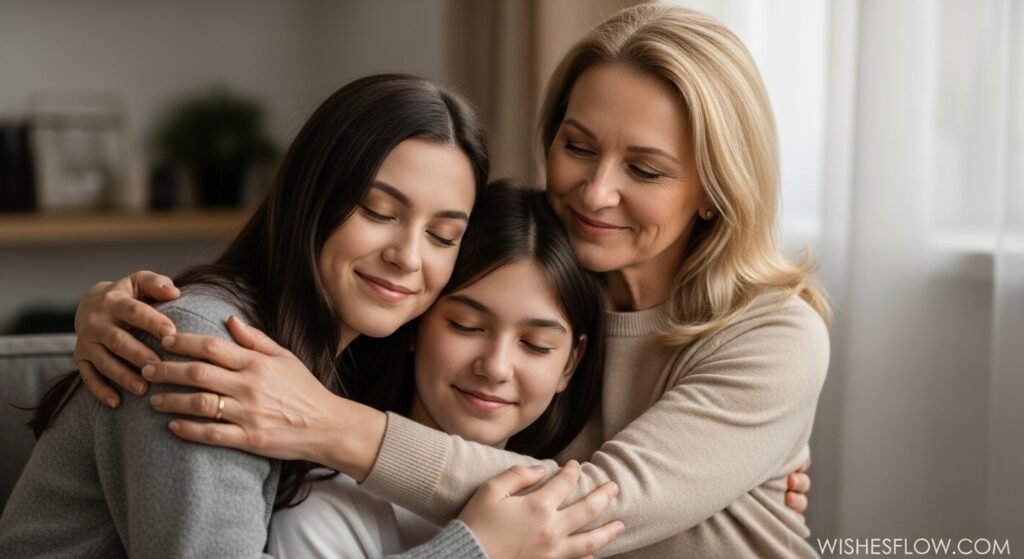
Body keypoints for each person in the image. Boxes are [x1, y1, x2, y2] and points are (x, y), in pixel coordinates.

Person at [70, 4, 826, 557]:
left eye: (646, 169)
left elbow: (591, 505)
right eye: (577, 145)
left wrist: (326, 419)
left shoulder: (771, 333)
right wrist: (104, 307)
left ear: (716, 187)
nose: (595, 193)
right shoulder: (540, 276)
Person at [0, 75, 620, 559]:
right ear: (312, 197)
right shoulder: (206, 345)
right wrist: (476, 550)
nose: (407, 258)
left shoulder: (341, 366)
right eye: (378, 211)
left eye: (442, 234)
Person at [268, 184, 608, 557]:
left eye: (535, 345)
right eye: (466, 325)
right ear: (415, 324)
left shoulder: (568, 517)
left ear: (571, 363)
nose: (495, 367)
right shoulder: (324, 508)